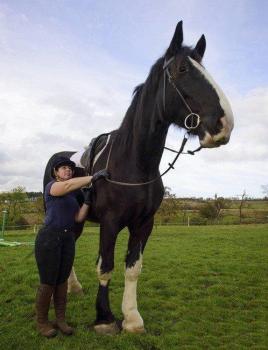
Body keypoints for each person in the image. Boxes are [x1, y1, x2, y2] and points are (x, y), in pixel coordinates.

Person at [35, 156, 108, 337]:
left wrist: (87, 201)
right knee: (48, 282)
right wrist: (93, 177)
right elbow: (68, 185)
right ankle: (42, 322)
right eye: (63, 168)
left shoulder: (73, 195)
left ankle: (60, 320)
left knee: (61, 282)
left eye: (69, 168)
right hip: (50, 238)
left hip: (68, 238)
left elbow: (78, 218)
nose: (67, 170)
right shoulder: (52, 187)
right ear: (56, 172)